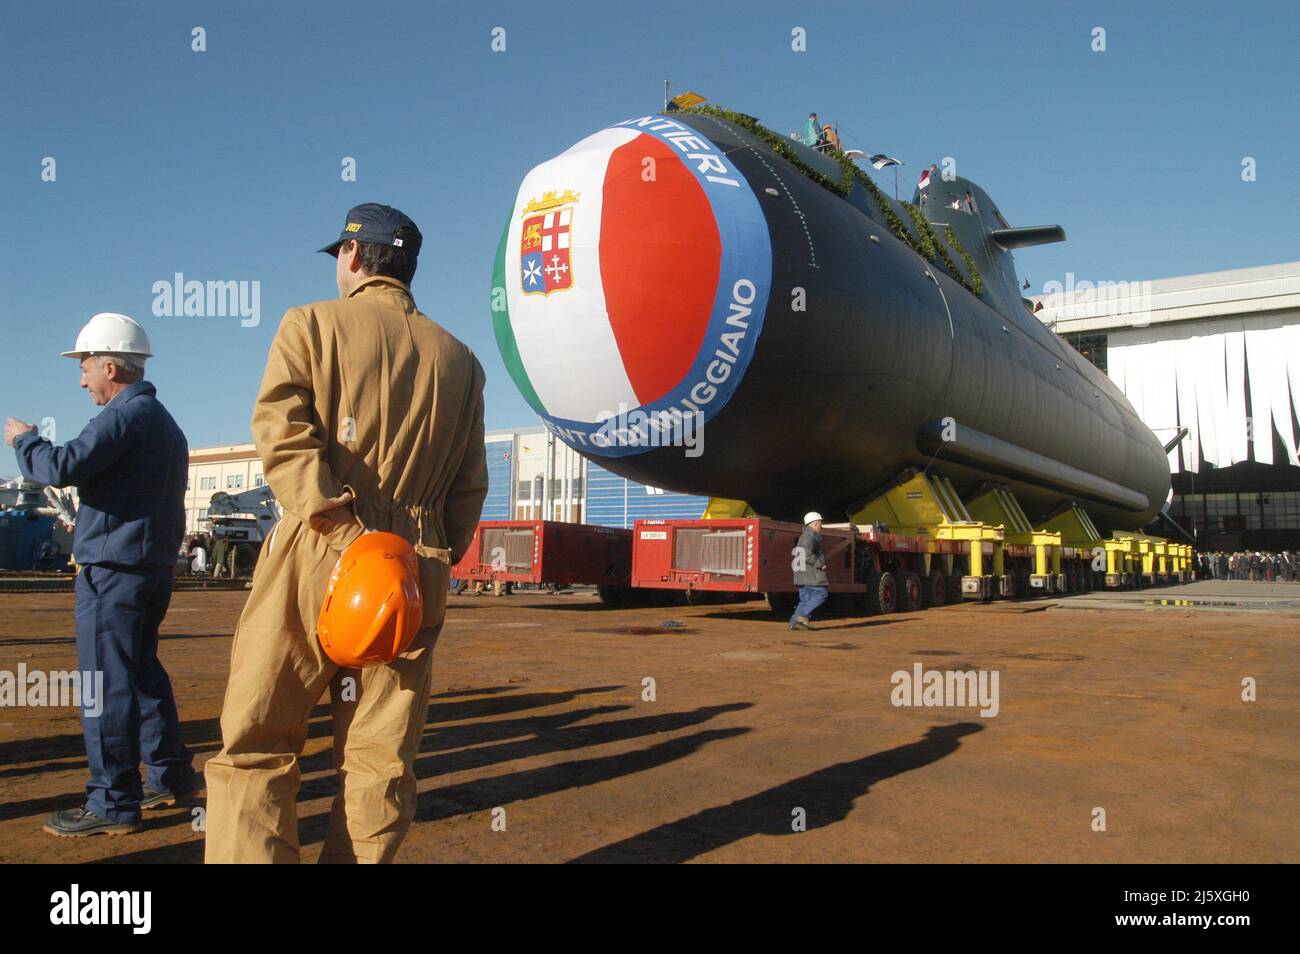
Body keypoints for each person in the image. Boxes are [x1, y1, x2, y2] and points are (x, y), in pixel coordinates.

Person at [203, 203, 488, 863]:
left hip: (322, 544)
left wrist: (337, 524)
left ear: (355, 257)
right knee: (380, 760)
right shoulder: (462, 361)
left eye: (339, 253)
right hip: (414, 565)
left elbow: (283, 433)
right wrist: (425, 561)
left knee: (259, 745)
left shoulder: (309, 325)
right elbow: (469, 489)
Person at [6, 313, 198, 836]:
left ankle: (112, 802)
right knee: (140, 674)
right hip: (149, 568)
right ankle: (169, 777)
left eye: (85, 365)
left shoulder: (123, 416)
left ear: (110, 366)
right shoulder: (161, 419)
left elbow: (62, 465)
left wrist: (26, 441)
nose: (82, 377)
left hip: (114, 573)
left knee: (106, 684)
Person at [790, 511, 829, 630]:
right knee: (821, 593)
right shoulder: (810, 536)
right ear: (815, 524)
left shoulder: (806, 536)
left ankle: (794, 623)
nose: (821, 526)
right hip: (810, 573)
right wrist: (819, 564)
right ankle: (801, 616)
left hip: (802, 573)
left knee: (805, 599)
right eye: (820, 523)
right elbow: (806, 554)